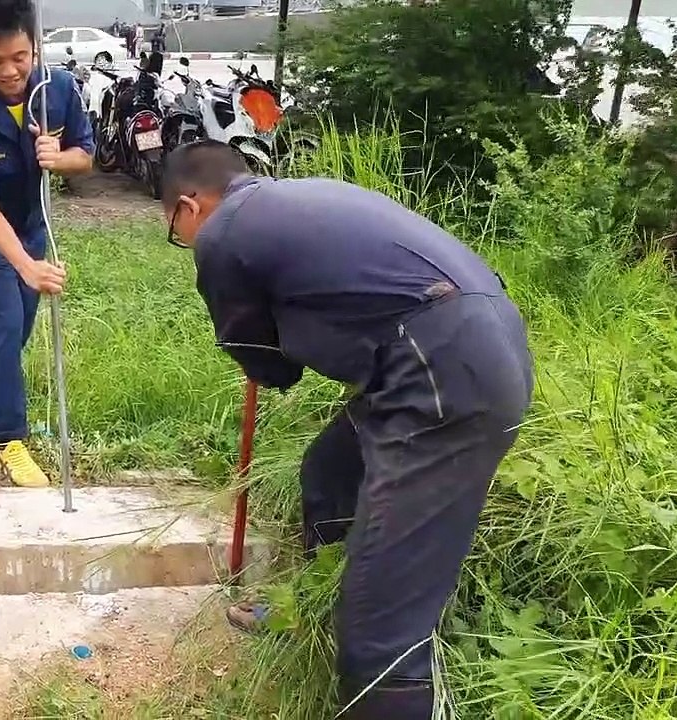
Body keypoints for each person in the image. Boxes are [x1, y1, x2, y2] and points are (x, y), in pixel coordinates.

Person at [160, 141, 533, 720]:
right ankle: (311, 606)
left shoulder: (223, 232)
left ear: (188, 207)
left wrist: (259, 346)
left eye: (176, 233)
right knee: (331, 471)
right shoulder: (300, 198)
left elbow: (271, 367)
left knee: (379, 623)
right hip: (478, 343)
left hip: (438, 371)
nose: (187, 243)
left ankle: (377, 665)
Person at [0, 0, 94, 487]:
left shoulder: (59, 90)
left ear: (34, 46)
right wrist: (27, 266)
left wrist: (60, 155)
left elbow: (86, 157)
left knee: (20, 324)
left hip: (33, 224)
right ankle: (8, 439)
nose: (10, 71)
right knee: (5, 327)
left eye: (20, 57)